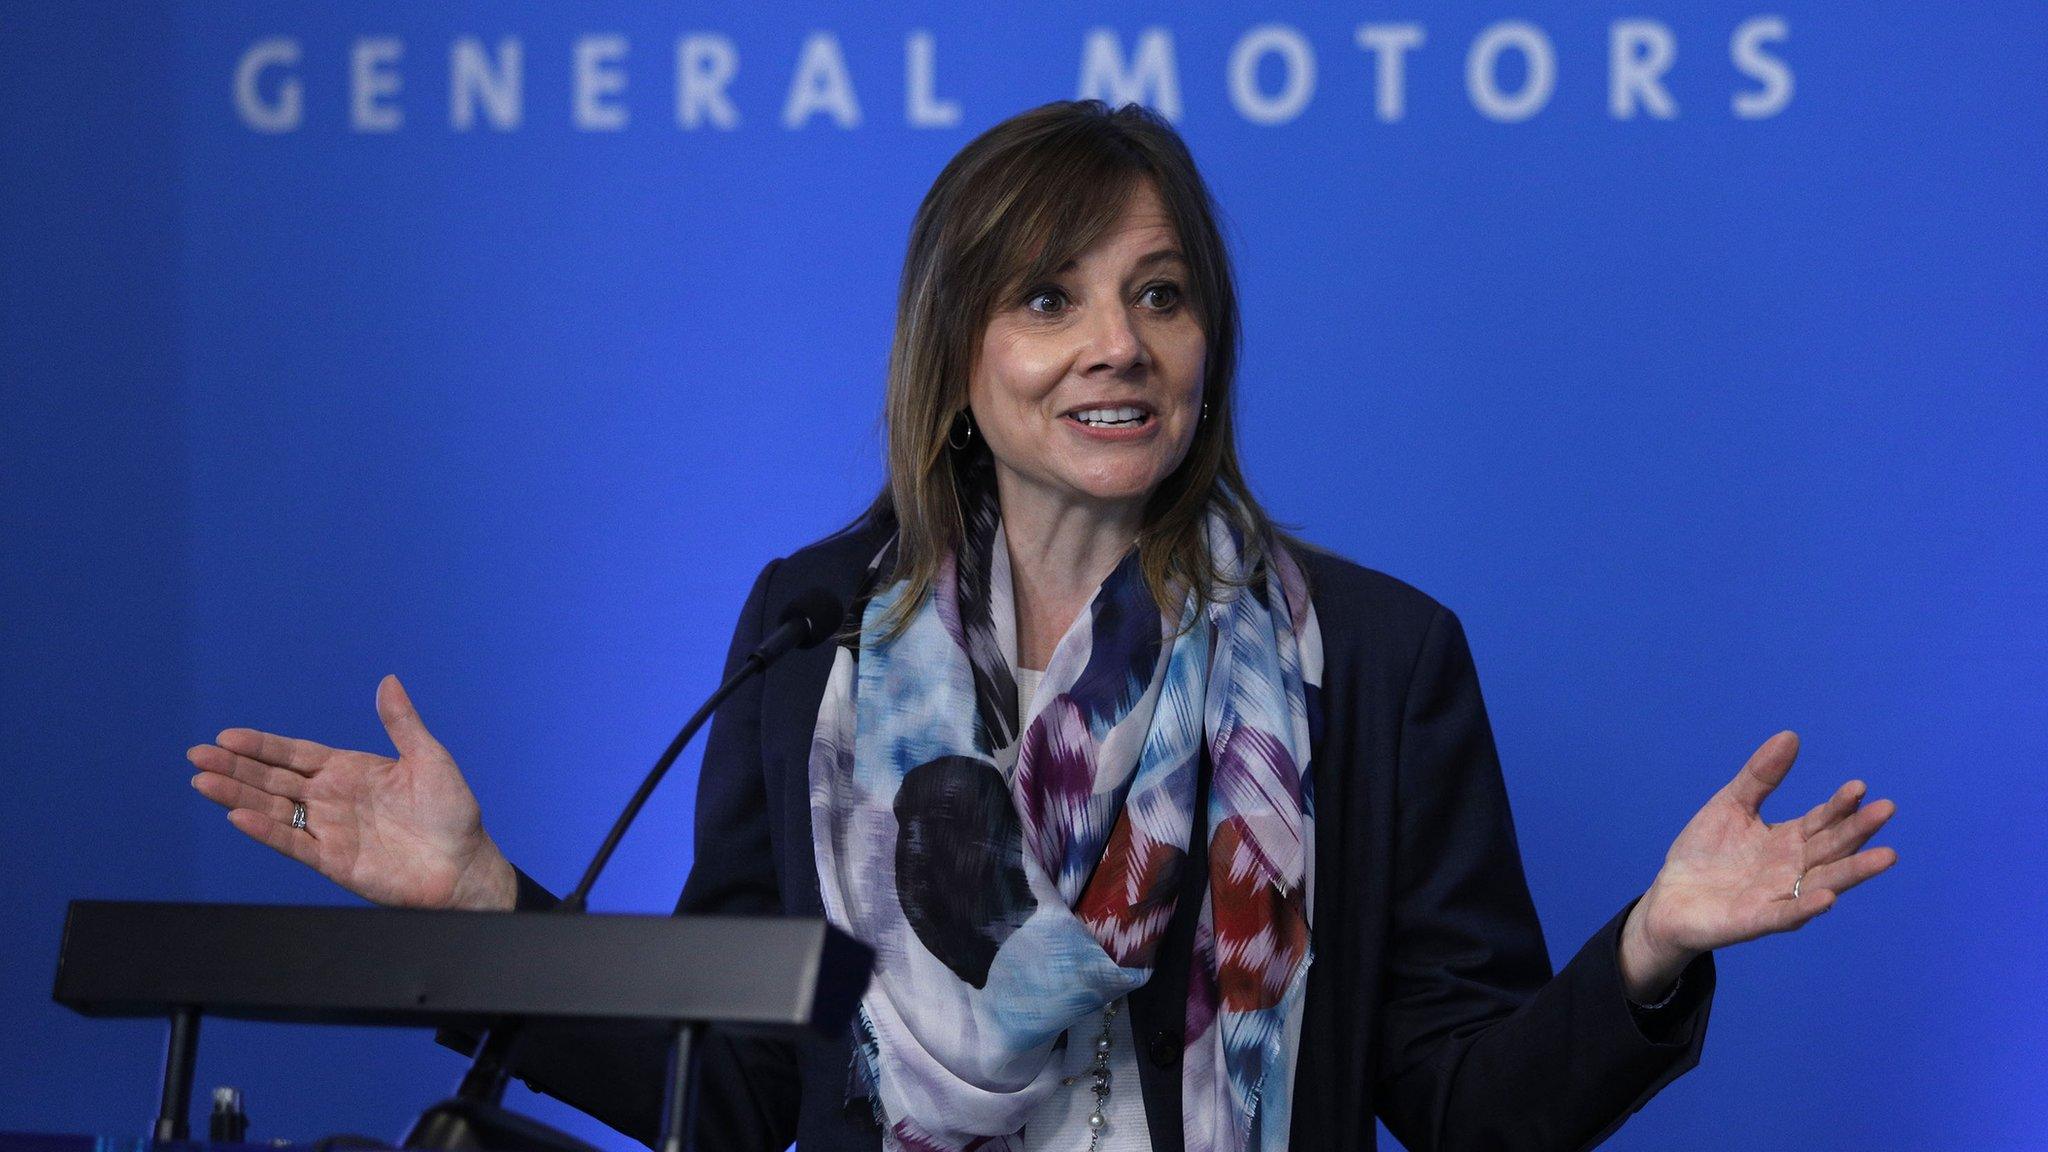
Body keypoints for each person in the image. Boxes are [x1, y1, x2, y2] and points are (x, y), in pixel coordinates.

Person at [185, 100, 1898, 1152]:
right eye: (1050, 296)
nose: (1118, 346)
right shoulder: (813, 642)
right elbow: (745, 1086)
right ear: (956, 353)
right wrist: (487, 910)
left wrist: (1653, 951)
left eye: (1161, 294)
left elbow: (1465, 1106)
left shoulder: (1371, 661)